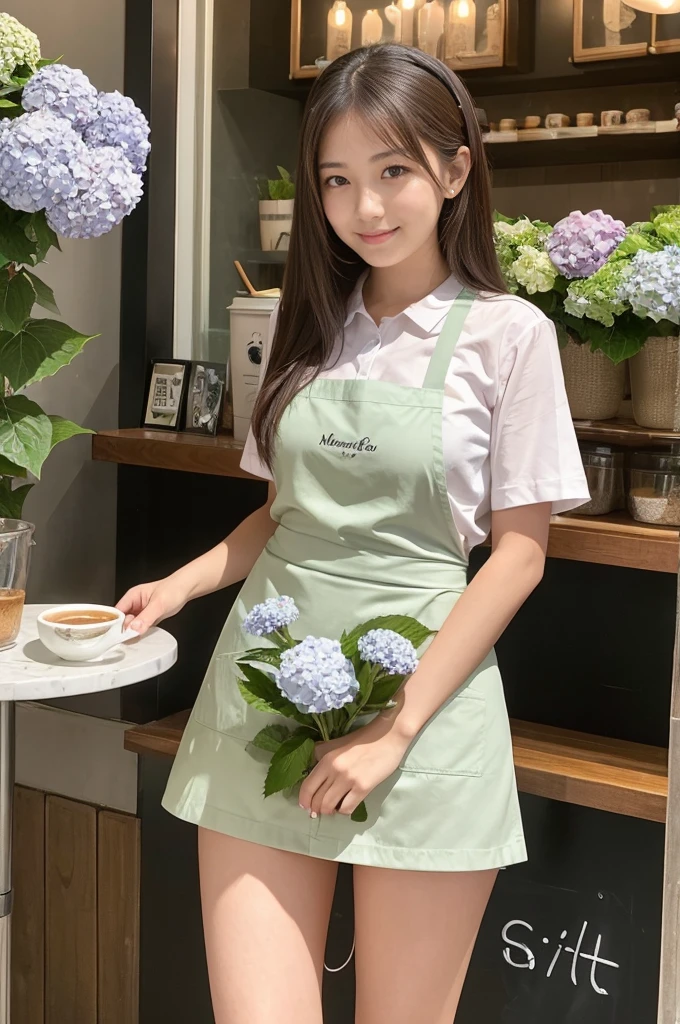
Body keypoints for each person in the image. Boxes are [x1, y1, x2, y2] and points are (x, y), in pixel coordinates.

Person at [118, 44, 589, 1024]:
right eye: (336, 180)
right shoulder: (308, 327)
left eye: (392, 172)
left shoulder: (510, 335)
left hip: (416, 717)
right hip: (261, 694)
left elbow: (519, 551)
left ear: (453, 171)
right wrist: (183, 584)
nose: (364, 208)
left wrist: (397, 727)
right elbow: (280, 516)